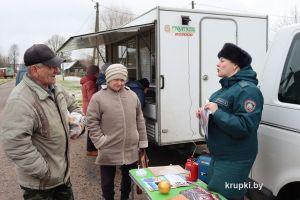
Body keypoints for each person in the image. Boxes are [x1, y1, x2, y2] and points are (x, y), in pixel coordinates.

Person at [0, 44, 82, 200]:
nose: (57, 71)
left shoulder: (55, 88)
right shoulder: (20, 100)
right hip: (40, 186)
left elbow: (75, 107)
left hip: (62, 177)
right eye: (51, 66)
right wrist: (46, 172)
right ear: (34, 70)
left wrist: (77, 124)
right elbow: (15, 144)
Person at [196, 43, 264, 199]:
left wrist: (217, 112)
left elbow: (245, 126)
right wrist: (204, 114)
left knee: (222, 196)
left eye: (222, 60)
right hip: (219, 156)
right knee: (215, 194)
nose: (217, 64)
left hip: (235, 158)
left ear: (235, 65)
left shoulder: (248, 90)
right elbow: (219, 118)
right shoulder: (224, 90)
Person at [86, 63, 148, 200]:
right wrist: (100, 141)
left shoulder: (132, 96)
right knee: (107, 183)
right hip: (108, 147)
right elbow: (91, 121)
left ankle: (124, 198)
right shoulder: (98, 97)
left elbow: (140, 119)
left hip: (130, 147)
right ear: (108, 79)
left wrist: (142, 141)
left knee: (127, 181)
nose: (119, 83)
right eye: (116, 79)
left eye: (122, 79)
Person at [80, 64, 100, 156]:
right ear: (95, 73)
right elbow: (93, 98)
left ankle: (91, 149)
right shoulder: (91, 83)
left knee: (91, 128)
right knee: (93, 129)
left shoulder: (86, 81)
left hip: (86, 107)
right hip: (90, 109)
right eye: (98, 73)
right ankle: (91, 150)